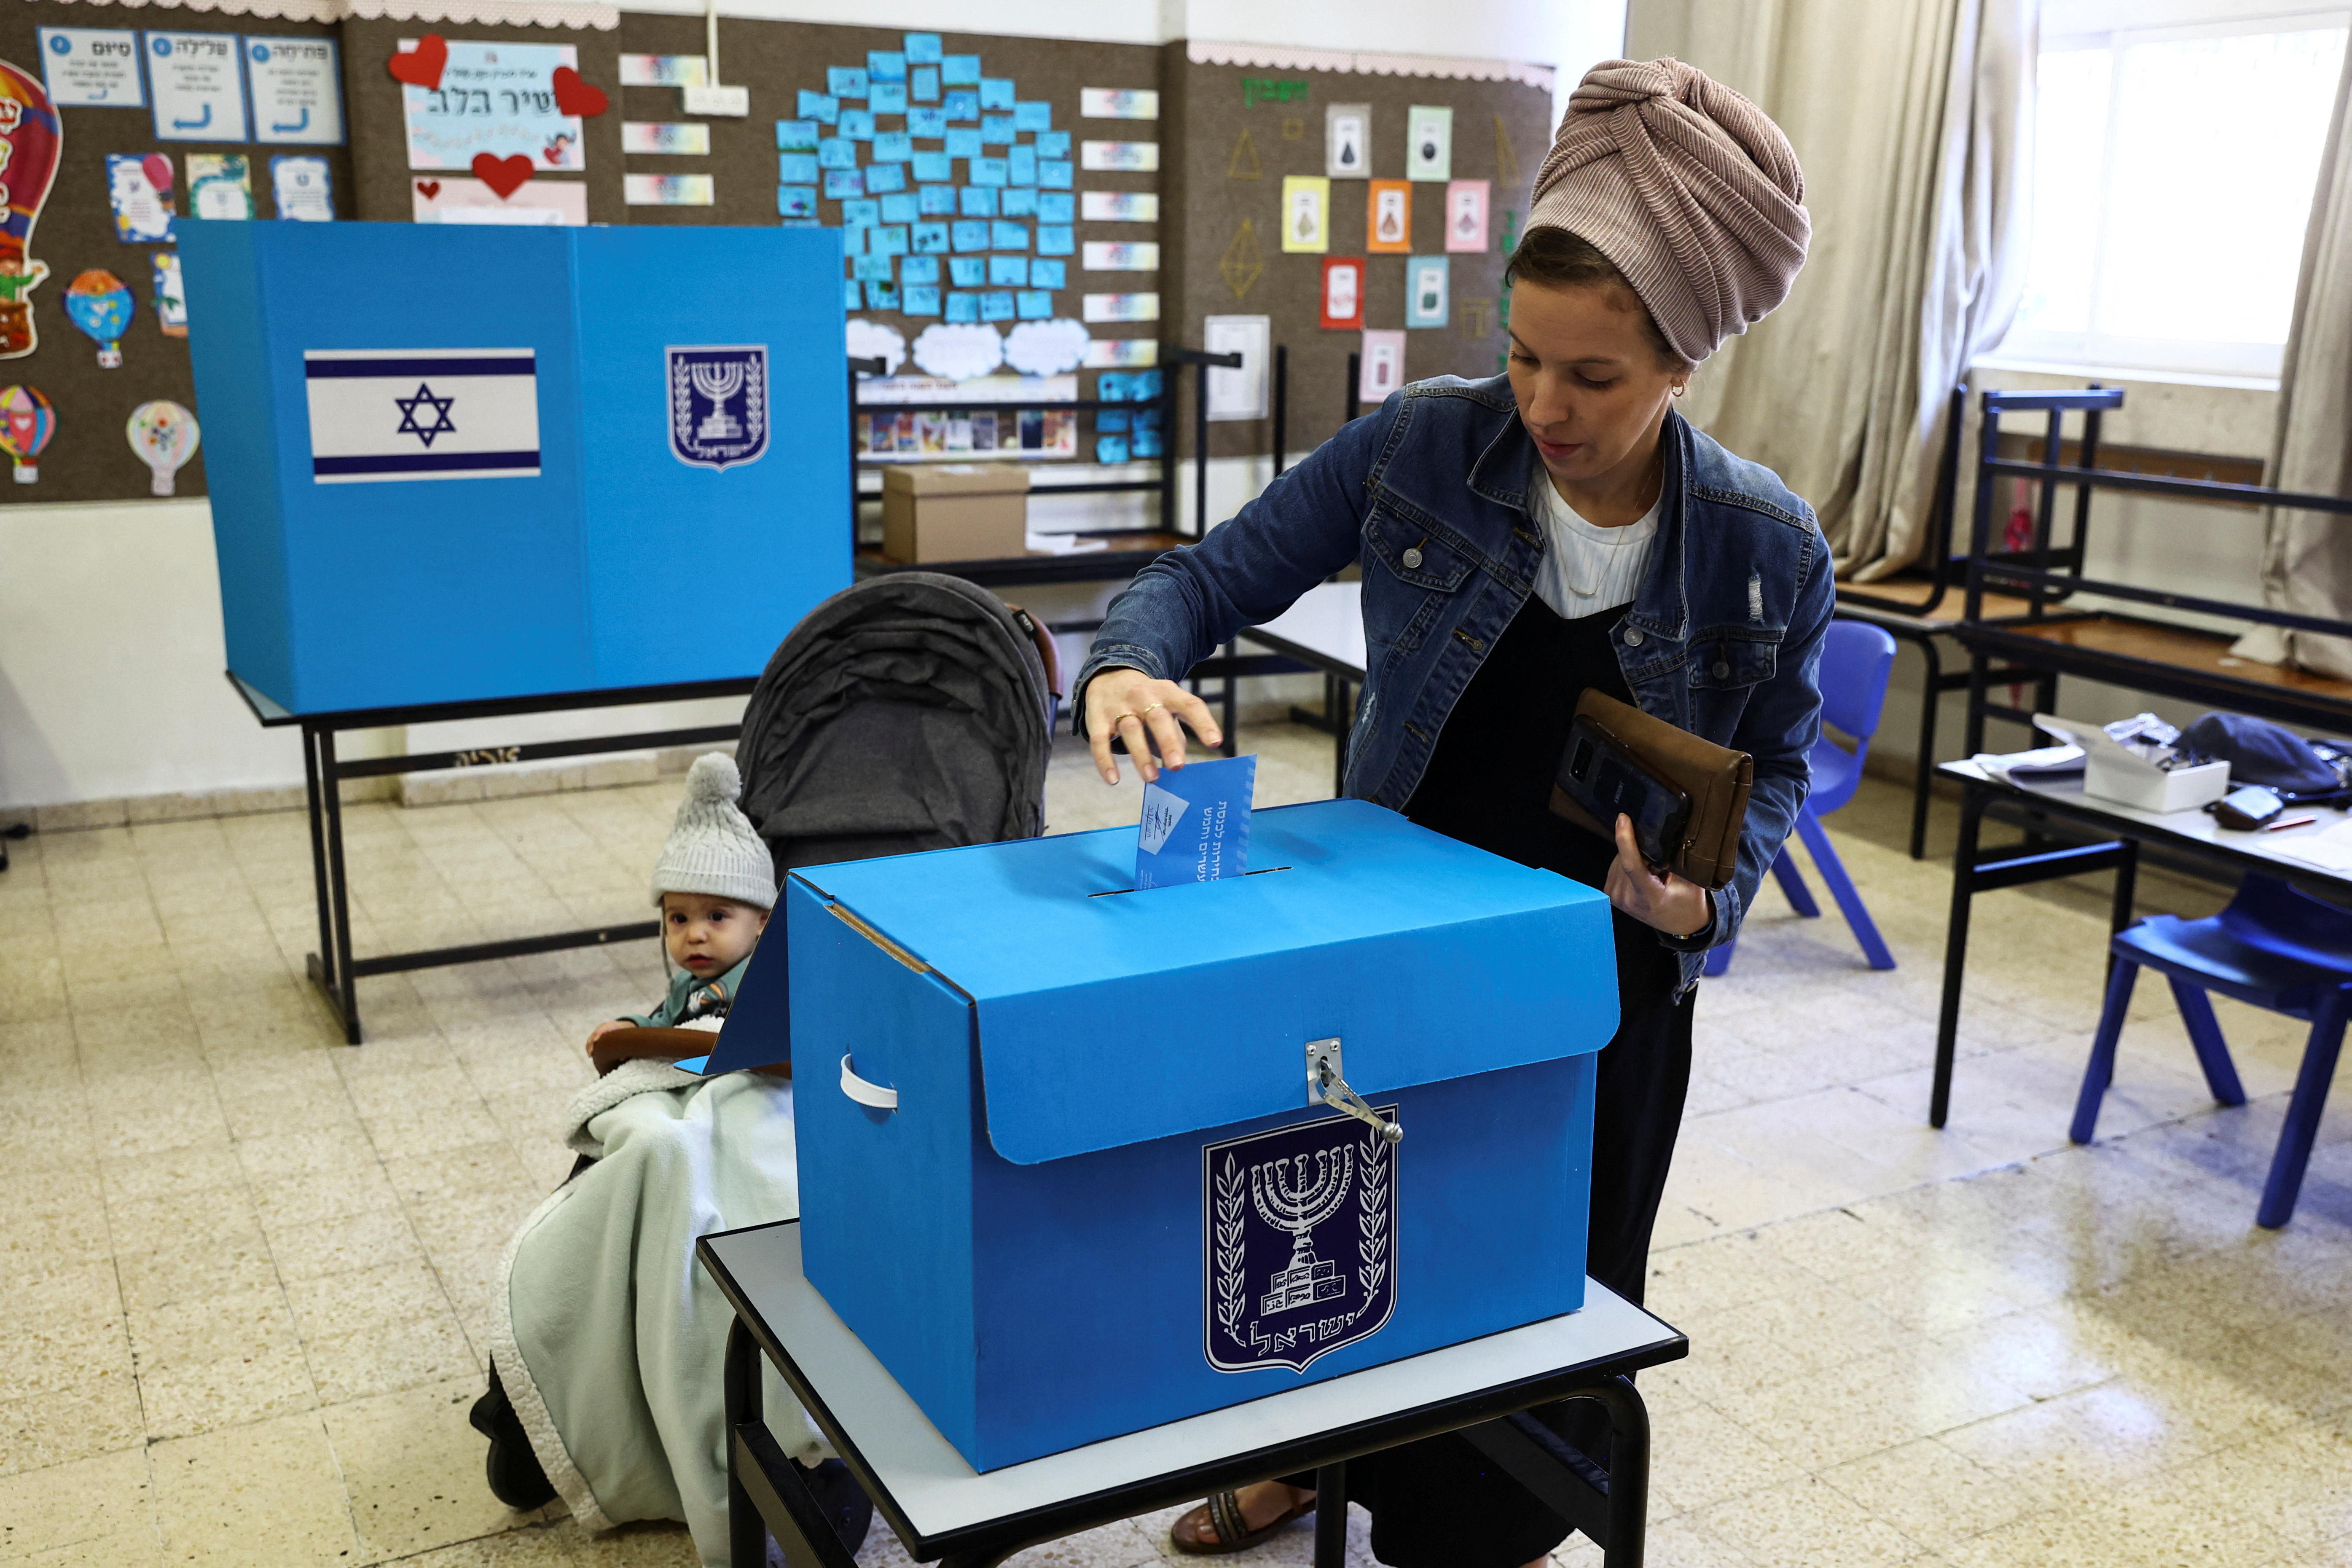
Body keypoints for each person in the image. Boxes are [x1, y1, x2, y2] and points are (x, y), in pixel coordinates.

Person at [1074, 58, 1826, 1566]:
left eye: (1594, 377)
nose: (1543, 403)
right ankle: (1303, 1461)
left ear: (1687, 362)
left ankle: (1455, 1528)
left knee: (1535, 1305)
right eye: (1524, 355)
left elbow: (1781, 774)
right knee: (1335, 1257)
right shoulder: (1422, 444)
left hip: (1599, 994)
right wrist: (1127, 669)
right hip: (1394, 966)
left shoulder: (1762, 545)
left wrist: (1707, 896)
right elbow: (1199, 580)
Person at [470, 753, 872, 1563]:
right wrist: (631, 1045)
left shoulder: (780, 980)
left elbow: (797, 1058)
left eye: (717, 917)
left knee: (734, 1173)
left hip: (763, 1113)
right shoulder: (689, 988)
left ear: (762, 922)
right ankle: (553, 1384)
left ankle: (796, 1428)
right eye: (678, 918)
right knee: (646, 1150)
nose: (694, 935)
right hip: (684, 1112)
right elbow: (664, 1044)